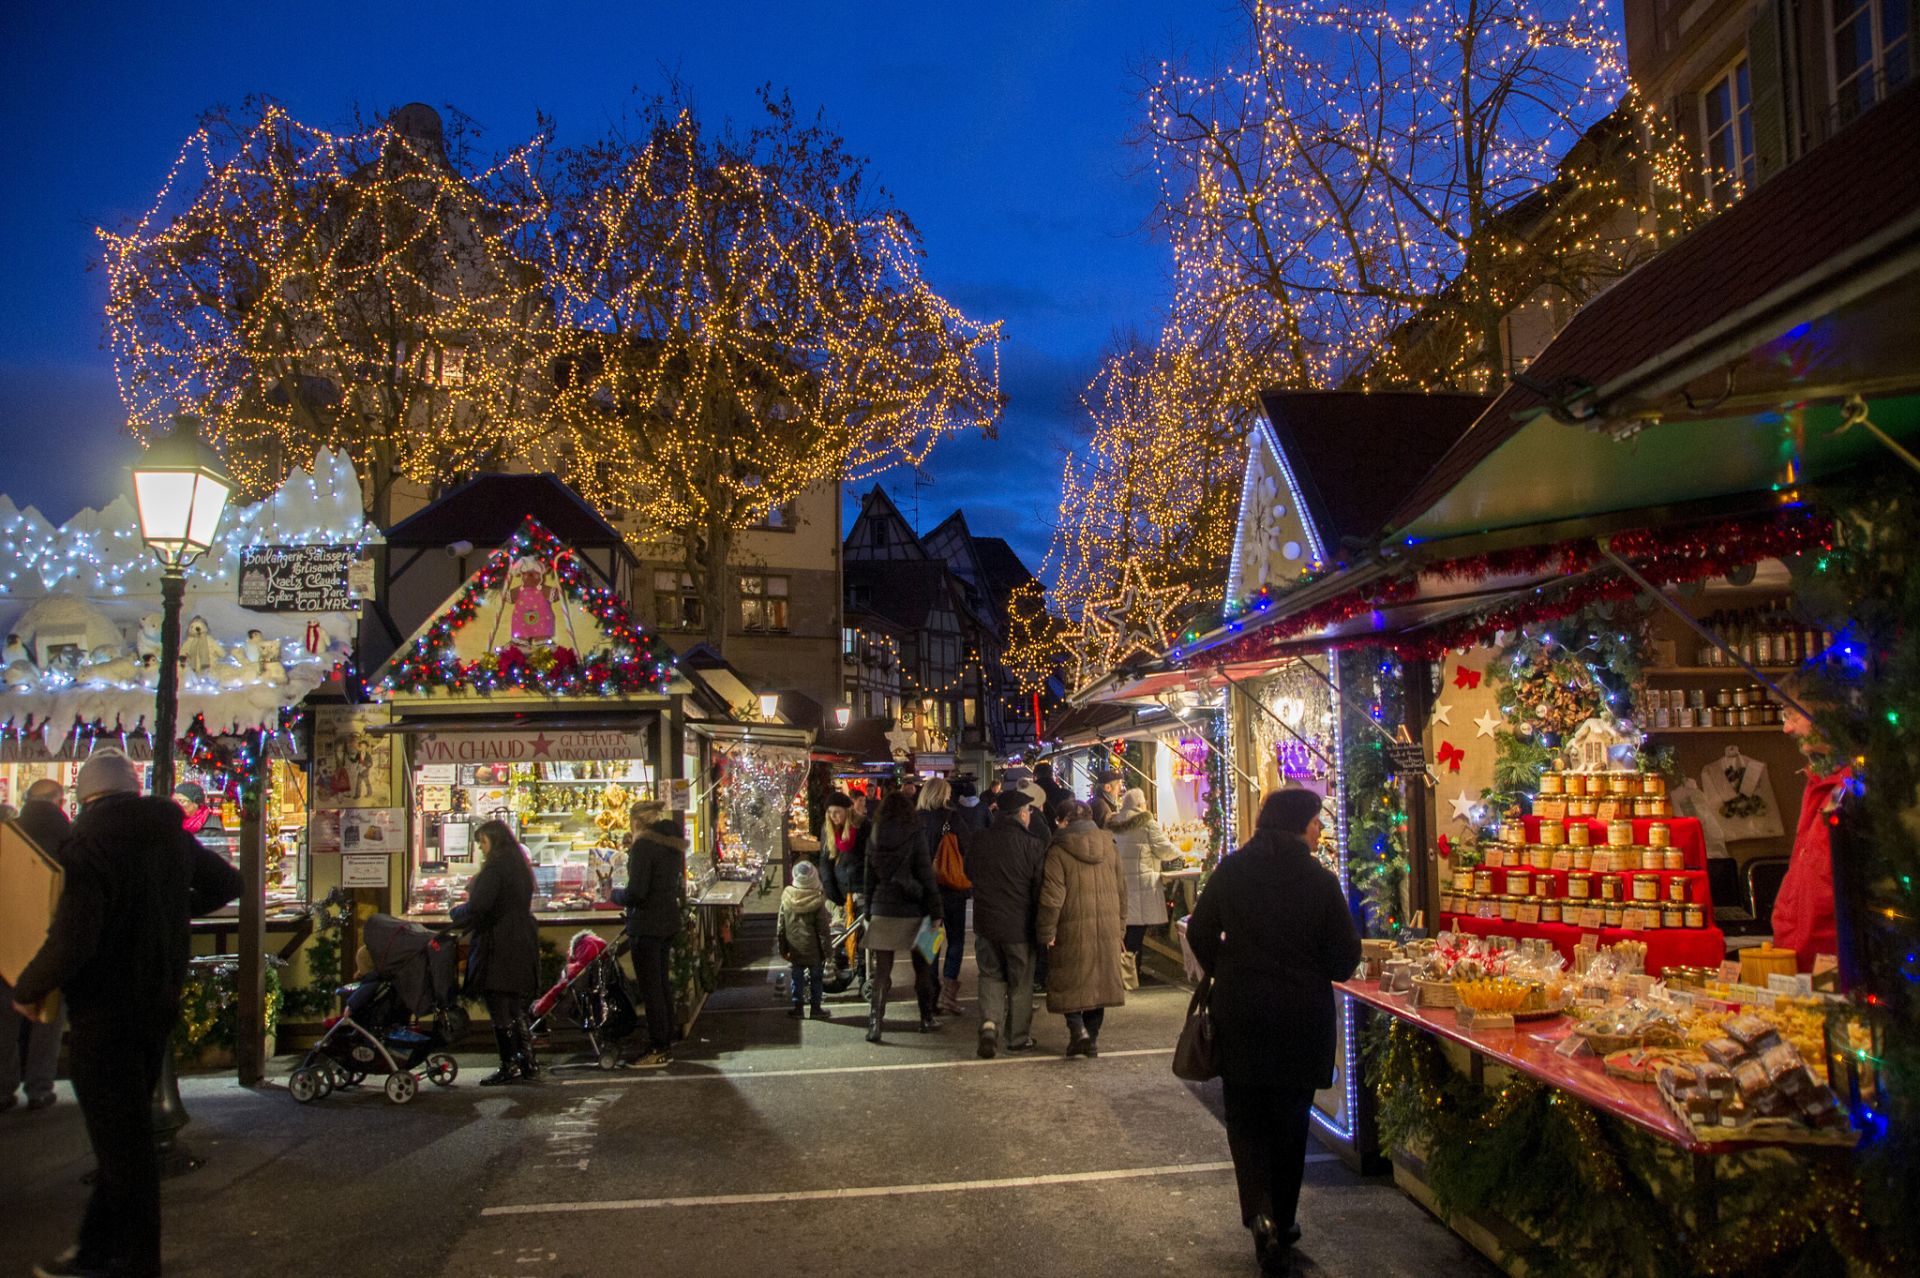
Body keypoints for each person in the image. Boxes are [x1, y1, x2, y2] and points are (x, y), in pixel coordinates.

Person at [11, 748, 241, 1278]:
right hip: (157, 995)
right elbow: (227, 884)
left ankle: (136, 1258)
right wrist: (168, 912)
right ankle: (94, 1248)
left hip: (105, 1005)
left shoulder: (89, 845)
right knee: (126, 1133)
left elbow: (75, 934)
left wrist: (30, 985)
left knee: (122, 1143)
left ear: (85, 795)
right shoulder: (169, 834)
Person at [1188, 788, 1363, 1274]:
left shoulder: (1232, 871)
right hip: (1300, 1017)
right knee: (1290, 1124)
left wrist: (1229, 969)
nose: (1320, 830)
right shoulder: (1320, 880)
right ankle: (1283, 1223)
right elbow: (1345, 959)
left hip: (1241, 1013)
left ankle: (1258, 1215)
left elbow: (1200, 931)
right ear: (1299, 826)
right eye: (1315, 822)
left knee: (1245, 1123)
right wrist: (1312, 968)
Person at [452, 819, 542, 1086]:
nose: (481, 848)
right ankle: (527, 1061)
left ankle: (509, 1064)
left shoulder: (495, 868)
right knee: (515, 1006)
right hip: (521, 939)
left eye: (482, 842)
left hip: (498, 943)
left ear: (493, 840)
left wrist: (457, 913)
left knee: (499, 1005)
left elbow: (480, 907)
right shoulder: (519, 866)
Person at [2, 778, 72, 1113]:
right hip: (53, 939)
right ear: (59, 802)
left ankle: (3, 1086)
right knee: (48, 1017)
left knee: (5, 1016)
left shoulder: (8, 834)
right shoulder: (69, 839)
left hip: (8, 938)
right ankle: (40, 1086)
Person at [1035, 800, 1126, 1057]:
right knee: (1101, 982)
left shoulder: (1057, 850)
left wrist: (1046, 932)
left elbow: (1052, 898)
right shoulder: (1109, 845)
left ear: (1064, 821)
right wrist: (1120, 928)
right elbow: (1122, 889)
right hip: (1107, 924)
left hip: (1070, 925)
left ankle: (1078, 1031)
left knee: (1068, 979)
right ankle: (1092, 1038)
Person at [963, 789, 1047, 1057]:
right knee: (1020, 982)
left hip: (986, 922)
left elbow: (969, 872)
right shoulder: (1033, 845)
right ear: (1022, 814)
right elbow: (1039, 889)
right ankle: (1017, 1037)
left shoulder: (979, 840)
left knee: (990, 975)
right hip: (1019, 926)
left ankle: (989, 1025)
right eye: (1029, 812)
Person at [1773, 686, 1850, 973]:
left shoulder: (1856, 785)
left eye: (1792, 715)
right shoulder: (1817, 782)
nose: (1786, 728)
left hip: (1836, 959)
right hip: (1800, 951)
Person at [862, 791, 943, 1043]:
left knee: (882, 972)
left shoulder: (874, 835)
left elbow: (868, 877)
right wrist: (936, 911)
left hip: (882, 909)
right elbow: (925, 875)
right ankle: (926, 1018)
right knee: (923, 968)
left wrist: (867, 911)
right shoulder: (915, 834)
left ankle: (875, 1023)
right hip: (914, 909)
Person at [617, 807, 688, 1067]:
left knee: (651, 989)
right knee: (661, 984)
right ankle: (664, 1040)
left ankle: (658, 1046)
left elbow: (637, 891)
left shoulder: (644, 846)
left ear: (637, 822)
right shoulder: (670, 845)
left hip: (647, 924)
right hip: (667, 921)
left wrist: (615, 896)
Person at [1107, 787, 1177, 972]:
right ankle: (1132, 970)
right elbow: (1163, 848)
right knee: (1137, 929)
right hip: (1143, 883)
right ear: (1140, 804)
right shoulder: (1146, 822)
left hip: (1120, 881)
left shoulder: (1114, 823)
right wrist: (1180, 854)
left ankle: (1123, 969)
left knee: (1126, 927)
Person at [918, 777, 969, 1015]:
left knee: (931, 943)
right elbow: (968, 848)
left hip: (927, 891)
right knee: (956, 940)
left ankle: (931, 994)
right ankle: (948, 994)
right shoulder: (953, 818)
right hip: (953, 889)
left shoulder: (915, 820)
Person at [777, 860, 834, 1020]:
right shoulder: (817, 901)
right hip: (814, 950)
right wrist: (828, 952)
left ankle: (798, 1008)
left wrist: (783, 949)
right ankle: (816, 1009)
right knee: (816, 980)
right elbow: (823, 931)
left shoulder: (786, 899)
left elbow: (781, 927)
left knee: (797, 979)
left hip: (794, 949)